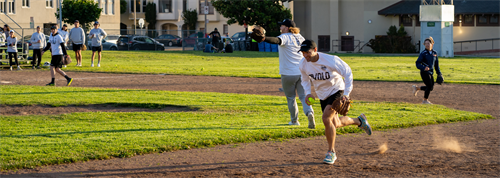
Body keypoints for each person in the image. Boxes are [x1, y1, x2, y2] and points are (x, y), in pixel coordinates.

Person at [298, 39, 372, 165]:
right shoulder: (303, 64)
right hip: (323, 95)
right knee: (335, 123)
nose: (305, 55)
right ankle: (359, 121)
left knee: (326, 118)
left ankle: (331, 152)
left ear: (315, 50)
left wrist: (346, 95)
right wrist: (308, 93)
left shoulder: (331, 60)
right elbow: (304, 80)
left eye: (307, 52)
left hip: (337, 90)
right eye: (303, 52)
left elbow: (348, 73)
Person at [250, 19, 315, 129]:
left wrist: (264, 38)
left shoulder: (286, 36)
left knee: (291, 97)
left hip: (288, 73)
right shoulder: (300, 37)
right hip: (303, 72)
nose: (280, 28)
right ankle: (310, 113)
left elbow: (276, 40)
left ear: (287, 28)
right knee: (303, 96)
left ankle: (294, 121)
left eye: (282, 26)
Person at [412, 37, 442, 104]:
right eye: (425, 44)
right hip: (424, 72)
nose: (427, 45)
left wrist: (439, 73)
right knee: (429, 86)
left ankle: (417, 88)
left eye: (428, 43)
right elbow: (417, 63)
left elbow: (436, 65)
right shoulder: (423, 53)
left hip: (430, 72)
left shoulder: (435, 53)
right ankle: (425, 100)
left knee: (431, 88)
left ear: (432, 44)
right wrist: (423, 67)